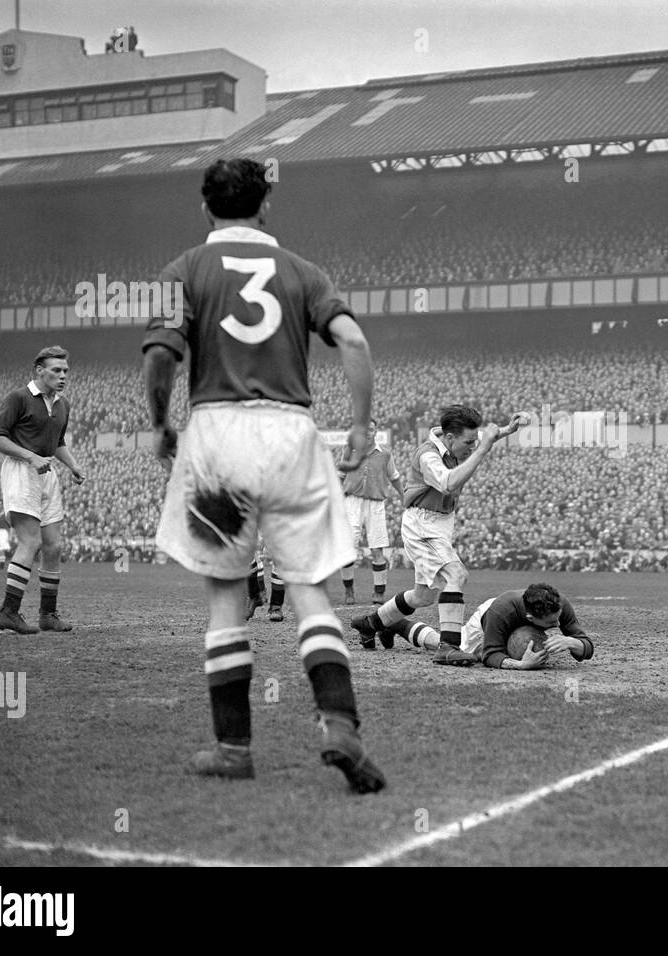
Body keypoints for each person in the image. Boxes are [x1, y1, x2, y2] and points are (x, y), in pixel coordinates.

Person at [142, 157, 384, 793]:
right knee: (309, 588)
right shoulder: (303, 271)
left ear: (205, 208)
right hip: (291, 433)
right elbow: (354, 344)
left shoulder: (183, 269)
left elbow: (162, 355)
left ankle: (233, 749)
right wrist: (358, 429)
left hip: (217, 435)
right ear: (265, 205)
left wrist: (161, 423)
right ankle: (338, 724)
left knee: (227, 595)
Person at [349, 404, 523, 663]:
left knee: (424, 596)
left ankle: (370, 623)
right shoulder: (428, 456)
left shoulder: (451, 443)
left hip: (439, 523)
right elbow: (449, 482)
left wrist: (505, 431)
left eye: (475, 441)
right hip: (423, 525)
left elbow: (474, 445)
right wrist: (485, 446)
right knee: (456, 574)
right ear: (449, 437)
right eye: (469, 442)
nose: (472, 447)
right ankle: (448, 647)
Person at [0, 345, 86, 634]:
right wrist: (30, 456)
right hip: (21, 470)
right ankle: (9, 611)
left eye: (65, 370)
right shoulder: (18, 398)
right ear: (39, 371)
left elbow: (57, 443)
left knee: (53, 545)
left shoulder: (62, 404)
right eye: (56, 370)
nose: (63, 375)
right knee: (30, 542)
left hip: (47, 471)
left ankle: (47, 614)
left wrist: (73, 466)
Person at [379, 582, 594, 670]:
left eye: (557, 619)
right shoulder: (501, 612)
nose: (557, 624)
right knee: (448, 645)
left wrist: (571, 641)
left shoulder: (559, 605)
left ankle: (396, 624)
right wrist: (520, 665)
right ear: (530, 617)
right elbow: (492, 655)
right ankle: (396, 624)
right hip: (487, 619)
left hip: (509, 617)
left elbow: (587, 647)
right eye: (550, 624)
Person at [336, 419, 404, 606]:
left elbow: (394, 477)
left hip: (375, 503)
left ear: (376, 432)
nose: (368, 433)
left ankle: (378, 592)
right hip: (352, 501)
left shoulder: (385, 455)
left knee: (377, 548)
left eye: (371, 430)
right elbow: (341, 475)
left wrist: (404, 496)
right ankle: (349, 591)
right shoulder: (349, 450)